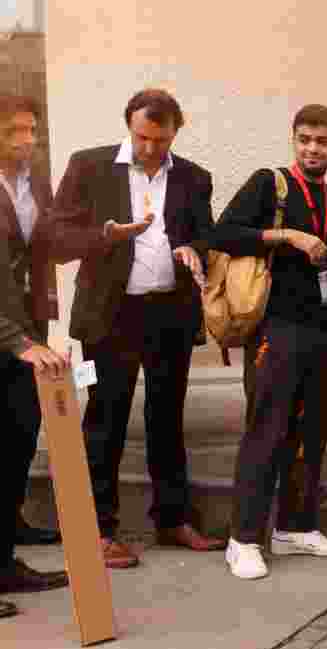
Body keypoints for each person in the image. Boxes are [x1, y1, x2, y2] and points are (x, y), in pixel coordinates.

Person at [48, 89, 224, 569]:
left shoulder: (194, 177)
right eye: (143, 137)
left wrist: (193, 249)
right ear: (129, 125)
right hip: (110, 315)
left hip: (169, 313)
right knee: (105, 418)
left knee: (168, 419)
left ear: (175, 132)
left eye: (161, 140)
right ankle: (98, 531)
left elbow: (205, 233)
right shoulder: (89, 166)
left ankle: (173, 518)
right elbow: (56, 237)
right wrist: (105, 235)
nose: (151, 149)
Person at [209, 104, 327, 580]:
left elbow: (319, 264)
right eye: (304, 140)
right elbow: (223, 234)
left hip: (319, 322)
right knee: (266, 428)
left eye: (322, 141)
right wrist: (289, 235)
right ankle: (243, 539)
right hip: (274, 325)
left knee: (311, 428)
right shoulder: (268, 182)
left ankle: (295, 528)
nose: (312, 149)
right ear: (294, 141)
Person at [0, 93, 71, 619]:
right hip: (10, 337)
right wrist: (18, 341)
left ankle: (5, 558)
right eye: (16, 131)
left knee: (19, 441)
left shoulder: (35, 182)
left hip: (26, 335)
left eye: (31, 130)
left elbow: (42, 248)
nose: (28, 140)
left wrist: (105, 238)